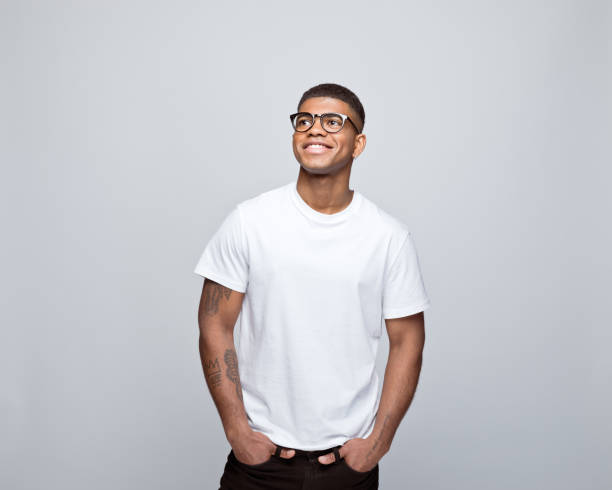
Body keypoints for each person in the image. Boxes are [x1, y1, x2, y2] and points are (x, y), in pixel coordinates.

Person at [194, 82, 431, 489]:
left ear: (358, 144)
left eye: (332, 121)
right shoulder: (250, 222)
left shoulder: (388, 237)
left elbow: (408, 342)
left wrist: (378, 443)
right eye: (304, 120)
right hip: (259, 464)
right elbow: (214, 324)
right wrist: (237, 431)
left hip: (345, 468)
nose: (315, 129)